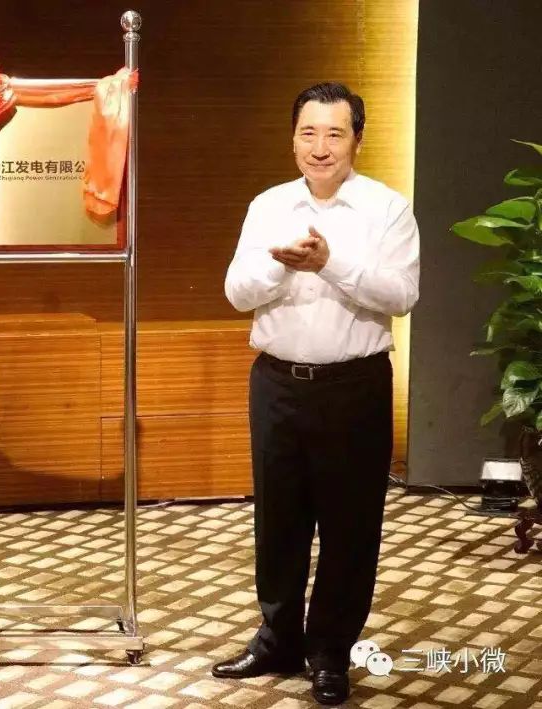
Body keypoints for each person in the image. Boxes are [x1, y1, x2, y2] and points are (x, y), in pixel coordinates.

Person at [215, 82, 419, 706]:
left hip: (355, 387)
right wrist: (280, 262)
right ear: (293, 140)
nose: (320, 147)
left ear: (357, 139)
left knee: (350, 526)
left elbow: (402, 295)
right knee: (278, 520)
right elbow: (236, 293)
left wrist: (330, 262)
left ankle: (329, 650)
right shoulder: (268, 205)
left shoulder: (387, 208)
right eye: (309, 133)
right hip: (276, 384)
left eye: (335, 133)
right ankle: (278, 639)